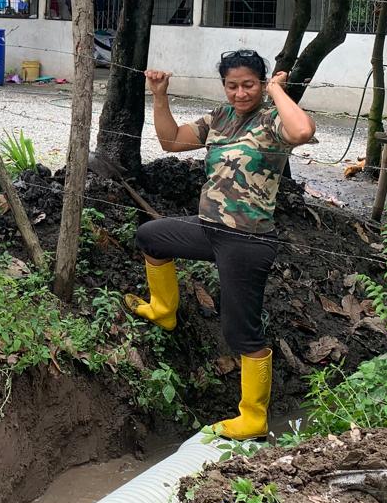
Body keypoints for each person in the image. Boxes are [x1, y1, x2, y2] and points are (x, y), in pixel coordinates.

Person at [126, 50, 316, 440]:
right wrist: (159, 96)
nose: (240, 93)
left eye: (249, 85)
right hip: (208, 229)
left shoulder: (272, 121)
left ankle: (254, 418)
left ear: (261, 83)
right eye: (232, 86)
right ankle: (164, 310)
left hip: (247, 241)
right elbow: (171, 141)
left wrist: (277, 90)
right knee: (151, 237)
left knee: (241, 333)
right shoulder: (220, 117)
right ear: (224, 87)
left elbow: (302, 132)